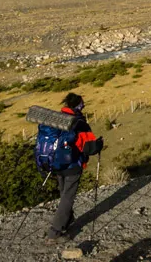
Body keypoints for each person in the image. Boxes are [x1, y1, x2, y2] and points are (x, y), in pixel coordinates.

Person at [47, 92, 102, 241]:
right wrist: (99, 144)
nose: (84, 105)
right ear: (78, 105)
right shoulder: (79, 123)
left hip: (56, 163)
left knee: (64, 193)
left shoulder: (57, 118)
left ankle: (66, 221)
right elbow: (89, 147)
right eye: (82, 103)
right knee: (68, 197)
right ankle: (55, 232)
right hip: (73, 164)